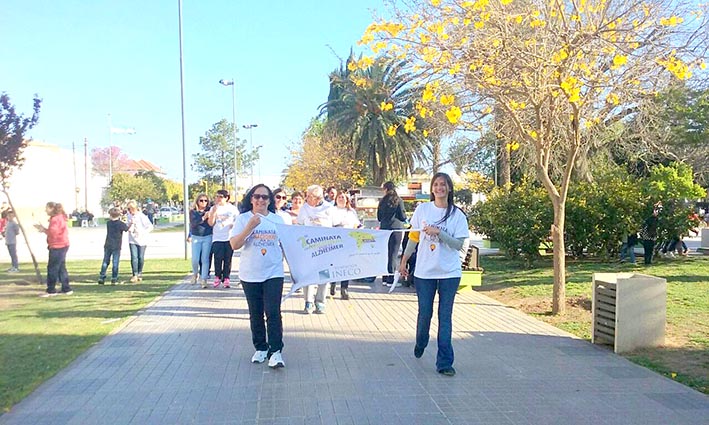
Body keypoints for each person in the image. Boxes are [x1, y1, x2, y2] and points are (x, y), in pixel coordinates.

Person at [398, 173, 469, 377]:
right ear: (432, 189)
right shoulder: (423, 209)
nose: (439, 188)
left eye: (443, 185)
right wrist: (404, 261)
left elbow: (458, 245)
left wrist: (440, 233)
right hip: (424, 273)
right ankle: (421, 341)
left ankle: (445, 362)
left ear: (449, 189)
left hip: (449, 272)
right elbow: (413, 237)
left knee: (444, 316)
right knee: (425, 313)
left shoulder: (457, 215)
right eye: (436, 185)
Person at [230, 184, 286, 369]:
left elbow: (287, 246)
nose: (260, 200)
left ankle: (276, 351)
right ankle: (261, 347)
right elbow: (234, 245)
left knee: (273, 311)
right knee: (256, 312)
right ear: (251, 199)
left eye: (265, 197)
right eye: (257, 197)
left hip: (273, 272)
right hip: (250, 273)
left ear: (270, 200)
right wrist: (249, 227)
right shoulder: (243, 219)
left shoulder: (278, 220)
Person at [297, 184, 335, 314]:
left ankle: (320, 301)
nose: (307, 198)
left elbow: (335, 225)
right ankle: (308, 302)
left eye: (310, 196)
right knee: (308, 274)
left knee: (324, 275)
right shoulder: (304, 208)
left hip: (325, 247)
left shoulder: (329, 208)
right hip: (309, 247)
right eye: (307, 196)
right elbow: (300, 223)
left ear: (318, 198)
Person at [35, 202, 72, 296]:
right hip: (63, 244)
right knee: (61, 267)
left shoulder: (55, 219)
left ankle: (51, 290)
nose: (45, 210)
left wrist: (43, 230)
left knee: (52, 268)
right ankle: (66, 288)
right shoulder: (60, 217)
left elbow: (53, 233)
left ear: (52, 208)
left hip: (57, 246)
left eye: (46, 208)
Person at [330, 191, 361, 300]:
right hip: (336, 239)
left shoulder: (351, 211)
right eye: (339, 197)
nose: (341, 199)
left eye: (343, 197)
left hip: (348, 239)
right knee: (334, 263)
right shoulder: (332, 210)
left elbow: (356, 224)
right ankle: (333, 283)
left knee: (346, 264)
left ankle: (344, 288)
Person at [207, 189, 239, 288]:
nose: (218, 199)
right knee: (217, 258)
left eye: (220, 197)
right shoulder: (213, 208)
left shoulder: (232, 209)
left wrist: (233, 224)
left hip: (229, 237)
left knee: (227, 259)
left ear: (226, 198)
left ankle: (226, 278)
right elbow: (210, 223)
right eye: (216, 196)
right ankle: (217, 276)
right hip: (217, 237)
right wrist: (213, 213)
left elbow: (238, 221)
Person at [378, 181, 407, 286]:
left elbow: (379, 217)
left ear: (385, 189)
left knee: (385, 254)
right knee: (393, 254)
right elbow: (403, 217)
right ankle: (391, 279)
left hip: (384, 229)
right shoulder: (398, 200)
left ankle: (384, 278)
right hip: (396, 229)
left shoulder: (382, 201)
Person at [98, 207, 130, 284]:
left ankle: (102, 276)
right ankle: (114, 277)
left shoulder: (109, 223)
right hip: (116, 245)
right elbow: (126, 229)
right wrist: (130, 223)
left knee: (105, 261)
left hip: (108, 244)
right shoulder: (120, 224)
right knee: (115, 262)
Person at [189, 193, 214, 288]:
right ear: (197, 201)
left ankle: (204, 279)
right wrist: (203, 217)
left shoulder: (209, 210)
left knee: (205, 259)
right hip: (196, 237)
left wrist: (210, 215)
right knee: (195, 259)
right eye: (201, 200)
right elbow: (193, 224)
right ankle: (195, 273)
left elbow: (212, 222)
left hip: (207, 236)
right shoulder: (193, 212)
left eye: (205, 200)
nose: (203, 202)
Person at [126, 200, 154, 282]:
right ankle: (134, 274)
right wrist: (129, 225)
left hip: (142, 239)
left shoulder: (141, 216)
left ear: (134, 208)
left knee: (140, 257)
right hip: (132, 239)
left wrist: (144, 232)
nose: (129, 211)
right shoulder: (128, 216)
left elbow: (150, 226)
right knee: (134, 257)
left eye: (130, 209)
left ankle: (139, 273)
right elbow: (127, 227)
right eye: (128, 209)